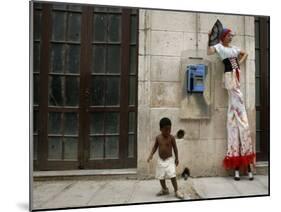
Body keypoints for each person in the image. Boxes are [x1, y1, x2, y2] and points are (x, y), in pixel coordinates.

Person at [207, 28, 255, 181]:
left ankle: (242, 164)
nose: (231, 38)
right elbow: (209, 52)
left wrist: (238, 64)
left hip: (235, 75)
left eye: (231, 36)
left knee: (234, 122)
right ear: (224, 37)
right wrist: (209, 38)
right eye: (228, 36)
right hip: (229, 77)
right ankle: (242, 166)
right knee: (238, 118)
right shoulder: (220, 48)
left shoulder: (234, 49)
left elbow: (245, 53)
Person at [147, 117, 184, 199]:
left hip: (169, 160)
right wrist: (151, 155)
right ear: (161, 129)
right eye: (166, 130)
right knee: (161, 176)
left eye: (169, 130)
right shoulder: (158, 138)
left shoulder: (171, 138)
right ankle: (164, 189)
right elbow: (155, 147)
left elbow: (175, 148)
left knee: (172, 175)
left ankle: (176, 190)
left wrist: (177, 158)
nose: (168, 132)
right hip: (160, 160)